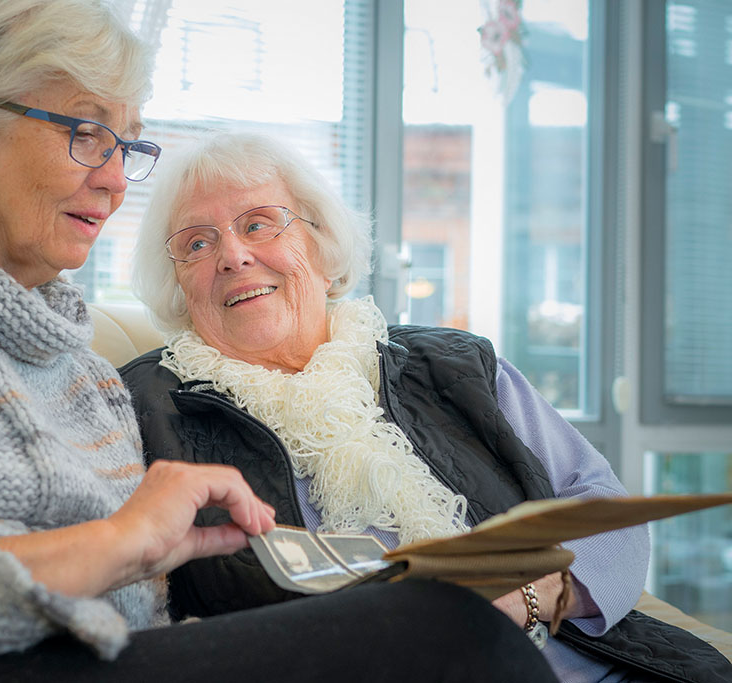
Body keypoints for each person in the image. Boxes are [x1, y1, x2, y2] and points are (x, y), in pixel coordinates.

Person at [0, 2, 566, 682]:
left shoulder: (83, 373)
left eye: (126, 143)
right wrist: (120, 542)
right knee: (448, 633)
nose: (115, 179)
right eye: (85, 132)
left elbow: (149, 627)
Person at [120, 130, 732, 683]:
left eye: (258, 224)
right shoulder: (144, 410)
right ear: (177, 280)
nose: (232, 255)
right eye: (197, 243)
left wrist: (532, 597)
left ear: (321, 241)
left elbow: (600, 503)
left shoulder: (455, 367)